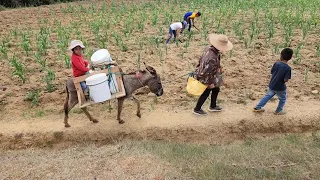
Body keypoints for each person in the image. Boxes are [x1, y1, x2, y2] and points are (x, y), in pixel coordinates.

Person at [193, 34, 233, 116]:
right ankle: (197, 109)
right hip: (206, 76)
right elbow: (207, 72)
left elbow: (201, 60)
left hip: (208, 73)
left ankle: (213, 105)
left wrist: (219, 67)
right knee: (207, 91)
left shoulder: (209, 49)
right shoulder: (212, 58)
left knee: (216, 89)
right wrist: (210, 83)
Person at [254, 48, 293, 115]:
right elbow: (285, 80)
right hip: (280, 87)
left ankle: (258, 107)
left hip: (272, 84)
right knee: (283, 98)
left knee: (268, 95)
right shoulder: (288, 68)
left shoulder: (276, 63)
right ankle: (278, 110)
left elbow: (272, 72)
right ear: (290, 58)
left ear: (281, 55)